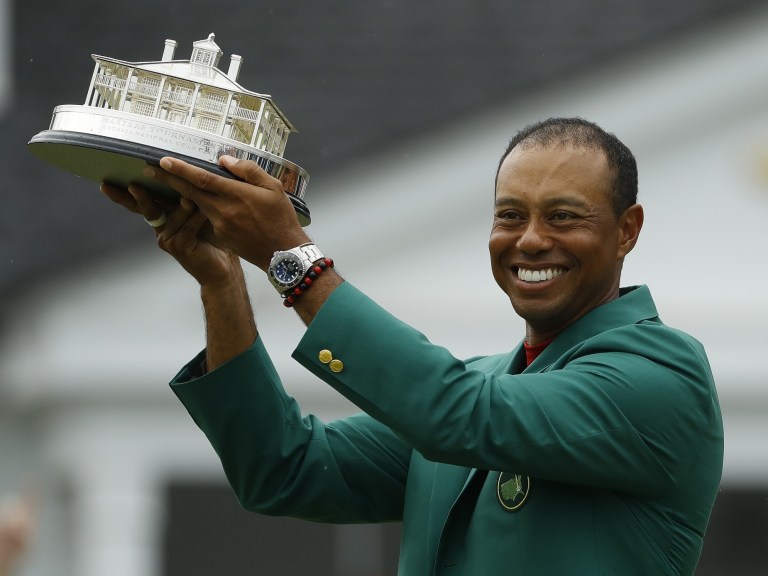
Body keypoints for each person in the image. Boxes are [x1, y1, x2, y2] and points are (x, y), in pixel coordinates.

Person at [101, 117, 724, 575]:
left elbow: (457, 414)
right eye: (509, 216)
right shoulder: (477, 397)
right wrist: (221, 279)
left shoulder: (661, 375)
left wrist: (294, 262)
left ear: (627, 231)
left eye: (563, 217)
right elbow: (282, 466)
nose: (530, 240)